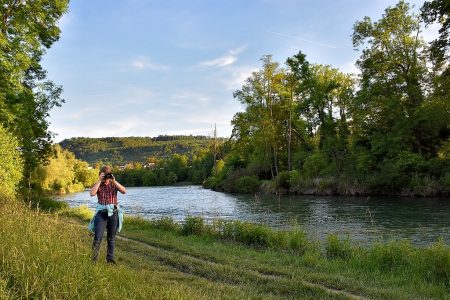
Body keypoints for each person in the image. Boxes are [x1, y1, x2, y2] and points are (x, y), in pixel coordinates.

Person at [89, 165, 126, 264]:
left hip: (113, 213)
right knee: (98, 237)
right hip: (101, 213)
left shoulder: (114, 184)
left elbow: (124, 191)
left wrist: (114, 181)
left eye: (107, 175)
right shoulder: (98, 184)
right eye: (104, 175)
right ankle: (93, 260)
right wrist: (99, 181)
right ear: (100, 175)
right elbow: (92, 193)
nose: (106, 178)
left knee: (111, 238)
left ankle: (110, 260)